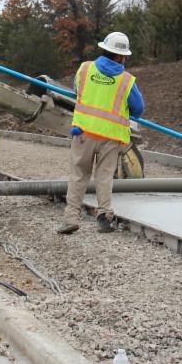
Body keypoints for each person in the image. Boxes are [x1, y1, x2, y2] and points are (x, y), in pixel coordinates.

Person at [56, 32, 145, 235]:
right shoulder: (126, 81)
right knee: (104, 177)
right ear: (122, 56)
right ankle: (104, 217)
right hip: (110, 137)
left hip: (83, 132)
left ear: (104, 49)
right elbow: (138, 109)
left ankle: (71, 218)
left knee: (78, 175)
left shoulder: (85, 69)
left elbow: (78, 90)